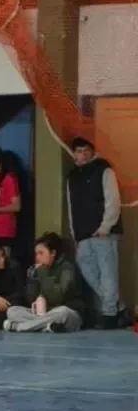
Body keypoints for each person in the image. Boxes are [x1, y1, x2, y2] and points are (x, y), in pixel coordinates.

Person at [66, 137, 124, 329]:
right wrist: (75, 234)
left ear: (91, 151)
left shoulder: (103, 169)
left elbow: (112, 199)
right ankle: (118, 306)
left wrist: (105, 226)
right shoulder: (72, 176)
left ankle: (109, 313)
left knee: (108, 273)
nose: (82, 154)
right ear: (73, 153)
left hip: (103, 231)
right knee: (88, 270)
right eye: (78, 150)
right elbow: (70, 206)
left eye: (85, 150)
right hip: (83, 233)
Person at [3, 233, 84, 333]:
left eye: (41, 253)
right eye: (36, 254)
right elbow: (30, 299)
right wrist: (32, 278)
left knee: (63, 313)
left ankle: (19, 327)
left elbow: (59, 296)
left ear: (53, 253)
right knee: (12, 311)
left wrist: (43, 273)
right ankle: (47, 327)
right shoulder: (38, 270)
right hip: (46, 313)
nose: (37, 257)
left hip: (68, 312)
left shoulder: (67, 267)